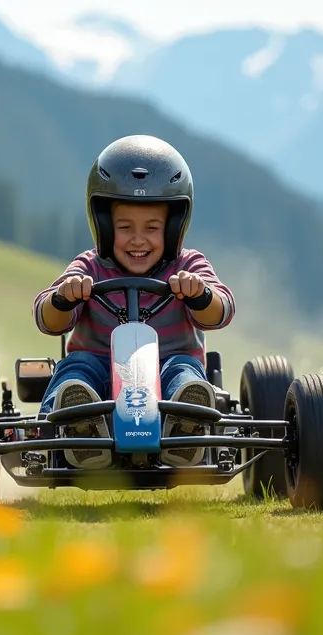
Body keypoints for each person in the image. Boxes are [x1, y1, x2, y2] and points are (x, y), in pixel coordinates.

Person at [33, 134, 236, 470]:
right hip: (99, 378)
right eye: (125, 227)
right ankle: (76, 426)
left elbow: (222, 310)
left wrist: (199, 293)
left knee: (183, 372)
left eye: (152, 227)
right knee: (77, 367)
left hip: (169, 369)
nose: (138, 239)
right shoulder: (89, 266)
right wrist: (64, 297)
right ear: (104, 226)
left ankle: (187, 424)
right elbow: (45, 317)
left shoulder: (189, 265)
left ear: (173, 228)